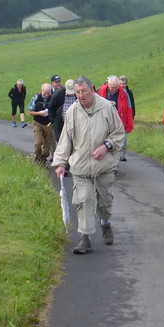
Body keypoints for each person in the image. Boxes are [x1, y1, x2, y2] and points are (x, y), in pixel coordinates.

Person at [53, 76, 126, 254]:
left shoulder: (107, 107)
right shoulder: (72, 111)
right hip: (81, 165)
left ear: (91, 89)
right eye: (77, 92)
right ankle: (85, 238)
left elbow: (119, 133)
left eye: (84, 91)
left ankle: (105, 223)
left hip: (104, 165)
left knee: (105, 202)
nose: (81, 95)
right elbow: (65, 140)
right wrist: (60, 162)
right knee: (83, 199)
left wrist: (106, 146)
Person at [97, 75, 134, 161]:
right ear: (108, 85)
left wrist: (129, 125)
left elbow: (129, 109)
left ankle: (117, 160)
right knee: (105, 142)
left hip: (119, 121)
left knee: (117, 142)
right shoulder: (100, 92)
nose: (114, 90)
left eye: (116, 88)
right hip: (104, 122)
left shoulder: (124, 93)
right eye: (112, 88)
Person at [29, 83, 54, 165]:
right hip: (38, 123)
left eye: (48, 93)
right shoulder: (36, 98)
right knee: (38, 143)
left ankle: (43, 161)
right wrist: (39, 113)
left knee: (47, 145)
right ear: (41, 90)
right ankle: (37, 158)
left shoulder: (53, 99)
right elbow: (30, 112)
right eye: (45, 93)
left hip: (49, 124)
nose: (46, 95)